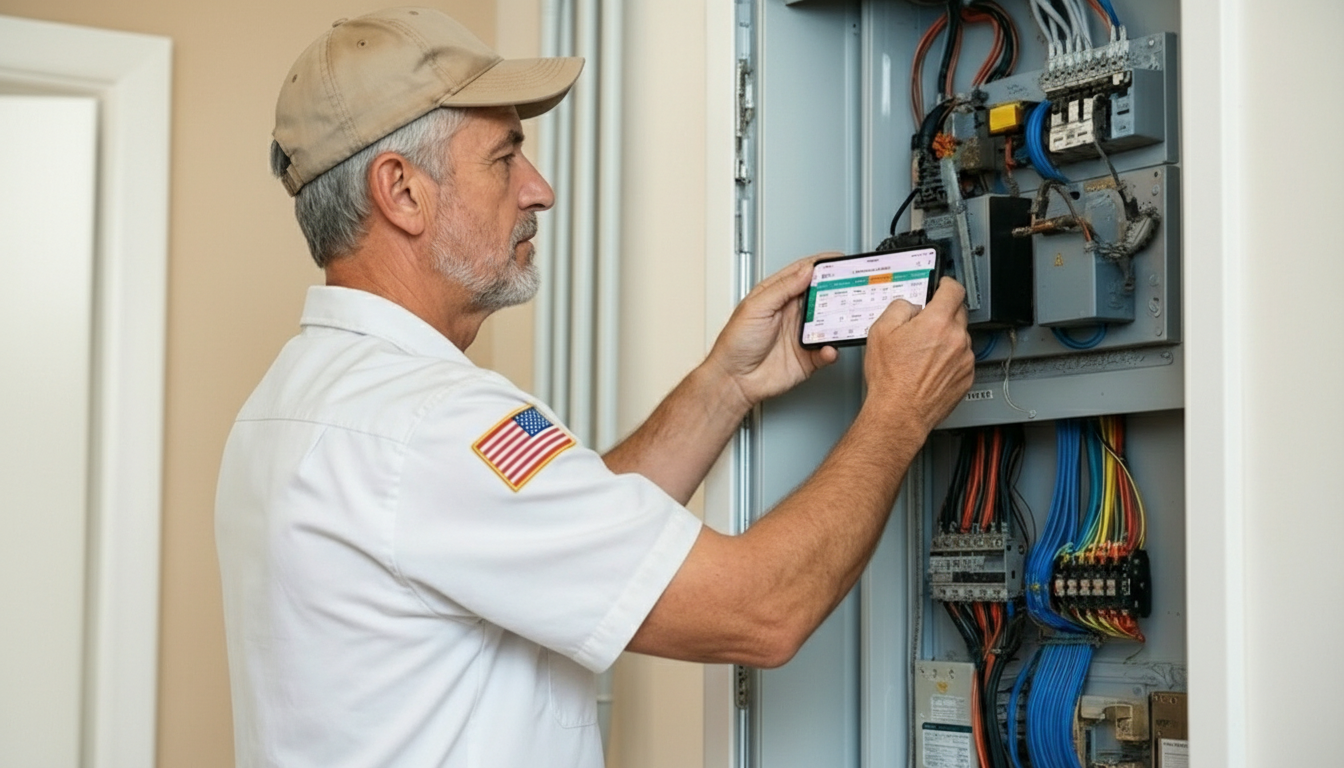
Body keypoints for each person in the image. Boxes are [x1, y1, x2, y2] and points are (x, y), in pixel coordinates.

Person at [216, 7, 974, 768]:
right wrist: (898, 412)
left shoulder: (296, 404)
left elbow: (553, 534)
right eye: (505, 156)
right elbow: (760, 611)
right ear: (402, 192)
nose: (538, 190)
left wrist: (724, 386)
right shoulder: (431, 426)